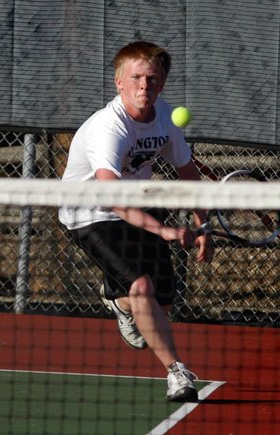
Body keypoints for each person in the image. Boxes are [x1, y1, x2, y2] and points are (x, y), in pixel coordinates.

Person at [59, 41, 214, 402]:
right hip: (90, 213)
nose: (145, 86)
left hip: (135, 205)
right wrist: (163, 229)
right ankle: (178, 373)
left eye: (153, 79)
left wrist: (202, 224)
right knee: (142, 287)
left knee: (161, 305)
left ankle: (121, 302)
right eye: (137, 78)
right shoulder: (107, 129)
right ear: (119, 83)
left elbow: (188, 172)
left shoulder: (164, 116)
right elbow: (111, 196)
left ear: (162, 84)